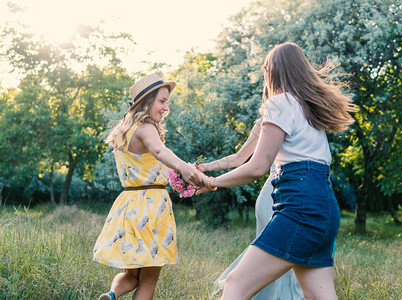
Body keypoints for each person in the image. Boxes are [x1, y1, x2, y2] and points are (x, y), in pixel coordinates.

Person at [197, 42, 355, 300]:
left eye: (264, 71)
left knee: (236, 283)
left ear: (272, 71)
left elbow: (257, 167)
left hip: (299, 206)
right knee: (319, 295)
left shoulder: (280, 103)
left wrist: (213, 182)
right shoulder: (309, 110)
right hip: (325, 207)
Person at [93, 74, 203, 300]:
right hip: (152, 208)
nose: (166, 107)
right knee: (149, 280)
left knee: (131, 274)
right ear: (146, 102)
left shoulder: (124, 132)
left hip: (128, 205)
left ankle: (112, 295)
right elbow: (160, 152)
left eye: (167, 102)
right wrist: (184, 168)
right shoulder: (146, 128)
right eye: (162, 101)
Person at [197, 119, 303, 300]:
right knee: (277, 260)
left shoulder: (304, 111)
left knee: (291, 258)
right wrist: (205, 168)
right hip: (276, 195)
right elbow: (240, 158)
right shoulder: (268, 118)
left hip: (300, 194)